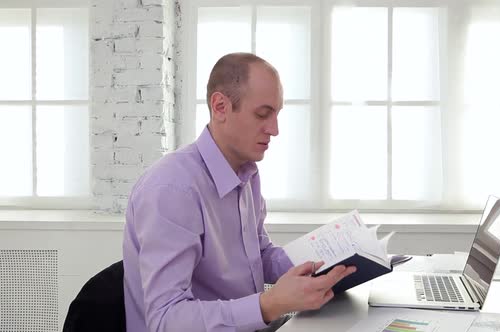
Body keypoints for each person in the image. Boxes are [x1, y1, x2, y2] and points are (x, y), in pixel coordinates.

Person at [122, 52, 356, 332]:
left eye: (277, 114)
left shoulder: (246, 173)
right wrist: (267, 305)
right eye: (262, 114)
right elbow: (166, 320)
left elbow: (260, 255)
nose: (275, 129)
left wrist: (325, 263)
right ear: (220, 106)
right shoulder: (171, 189)